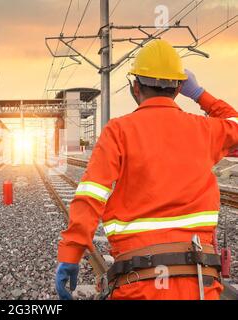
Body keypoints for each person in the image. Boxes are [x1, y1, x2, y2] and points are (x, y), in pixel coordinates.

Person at [55, 39, 238, 300]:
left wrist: (70, 255)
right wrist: (199, 94)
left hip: (138, 283)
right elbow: (234, 122)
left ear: (135, 87)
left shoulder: (118, 131)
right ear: (178, 90)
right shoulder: (205, 130)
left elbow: (90, 196)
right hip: (199, 282)